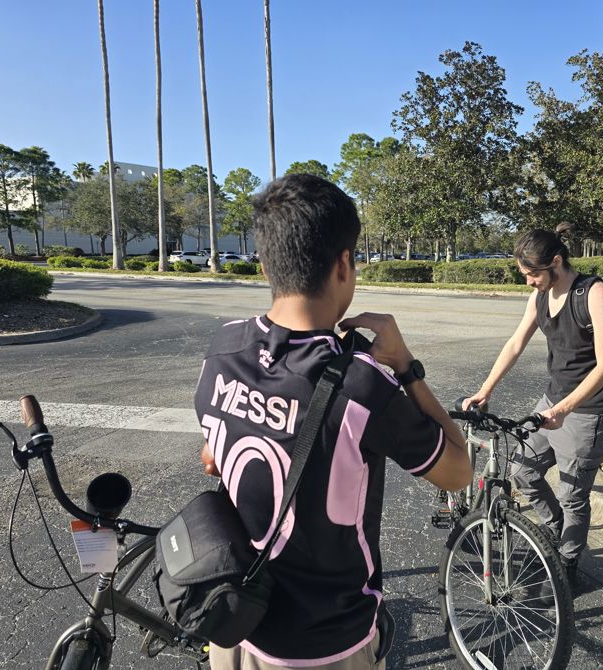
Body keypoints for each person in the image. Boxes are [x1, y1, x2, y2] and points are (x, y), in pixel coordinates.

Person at [195, 174, 472, 670]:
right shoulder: (361, 387)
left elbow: (213, 459)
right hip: (324, 644)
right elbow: (458, 471)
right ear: (345, 263)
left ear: (265, 264)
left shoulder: (223, 348)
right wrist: (406, 367)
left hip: (233, 619)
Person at [464, 225, 603, 585]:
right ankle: (555, 534)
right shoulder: (539, 295)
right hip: (553, 401)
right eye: (524, 275)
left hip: (588, 410)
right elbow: (516, 343)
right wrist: (485, 390)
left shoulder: (593, 293)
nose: (529, 282)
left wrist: (564, 409)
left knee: (573, 495)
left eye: (533, 274)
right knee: (522, 469)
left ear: (556, 261)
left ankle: (568, 568)